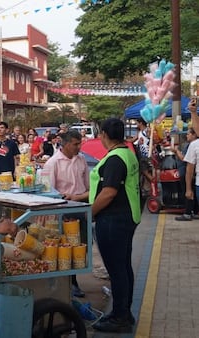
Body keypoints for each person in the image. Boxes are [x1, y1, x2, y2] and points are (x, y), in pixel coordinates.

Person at [90, 118, 140, 333]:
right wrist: (82, 196)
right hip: (127, 217)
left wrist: (88, 213)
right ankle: (123, 312)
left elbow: (109, 193)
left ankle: (120, 317)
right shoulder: (127, 153)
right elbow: (107, 186)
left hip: (113, 220)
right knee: (124, 267)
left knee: (117, 270)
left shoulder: (115, 159)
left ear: (103, 135)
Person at [42, 130, 89, 297]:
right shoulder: (53, 163)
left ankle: (73, 281)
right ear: (66, 144)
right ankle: (68, 283)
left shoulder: (81, 159)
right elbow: (49, 193)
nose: (78, 147)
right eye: (76, 144)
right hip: (63, 211)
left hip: (81, 208)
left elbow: (88, 188)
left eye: (79, 143)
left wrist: (79, 197)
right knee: (64, 249)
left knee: (80, 247)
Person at [176, 128, 199, 221]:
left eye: (189, 134)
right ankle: (193, 211)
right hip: (190, 175)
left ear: (194, 135)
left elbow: (185, 159)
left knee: (188, 192)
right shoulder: (191, 145)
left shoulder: (193, 145)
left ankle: (188, 213)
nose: (187, 135)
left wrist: (176, 151)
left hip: (189, 174)